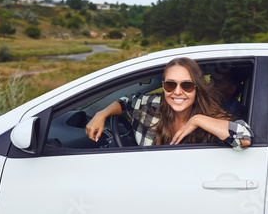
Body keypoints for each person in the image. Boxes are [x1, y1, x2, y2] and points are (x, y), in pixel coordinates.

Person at [85, 57, 253, 150]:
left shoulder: (211, 116)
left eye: (186, 85)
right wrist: (101, 114)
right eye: (170, 84)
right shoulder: (150, 105)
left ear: (197, 88)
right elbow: (126, 102)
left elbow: (244, 138)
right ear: (163, 86)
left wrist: (197, 120)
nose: (177, 92)